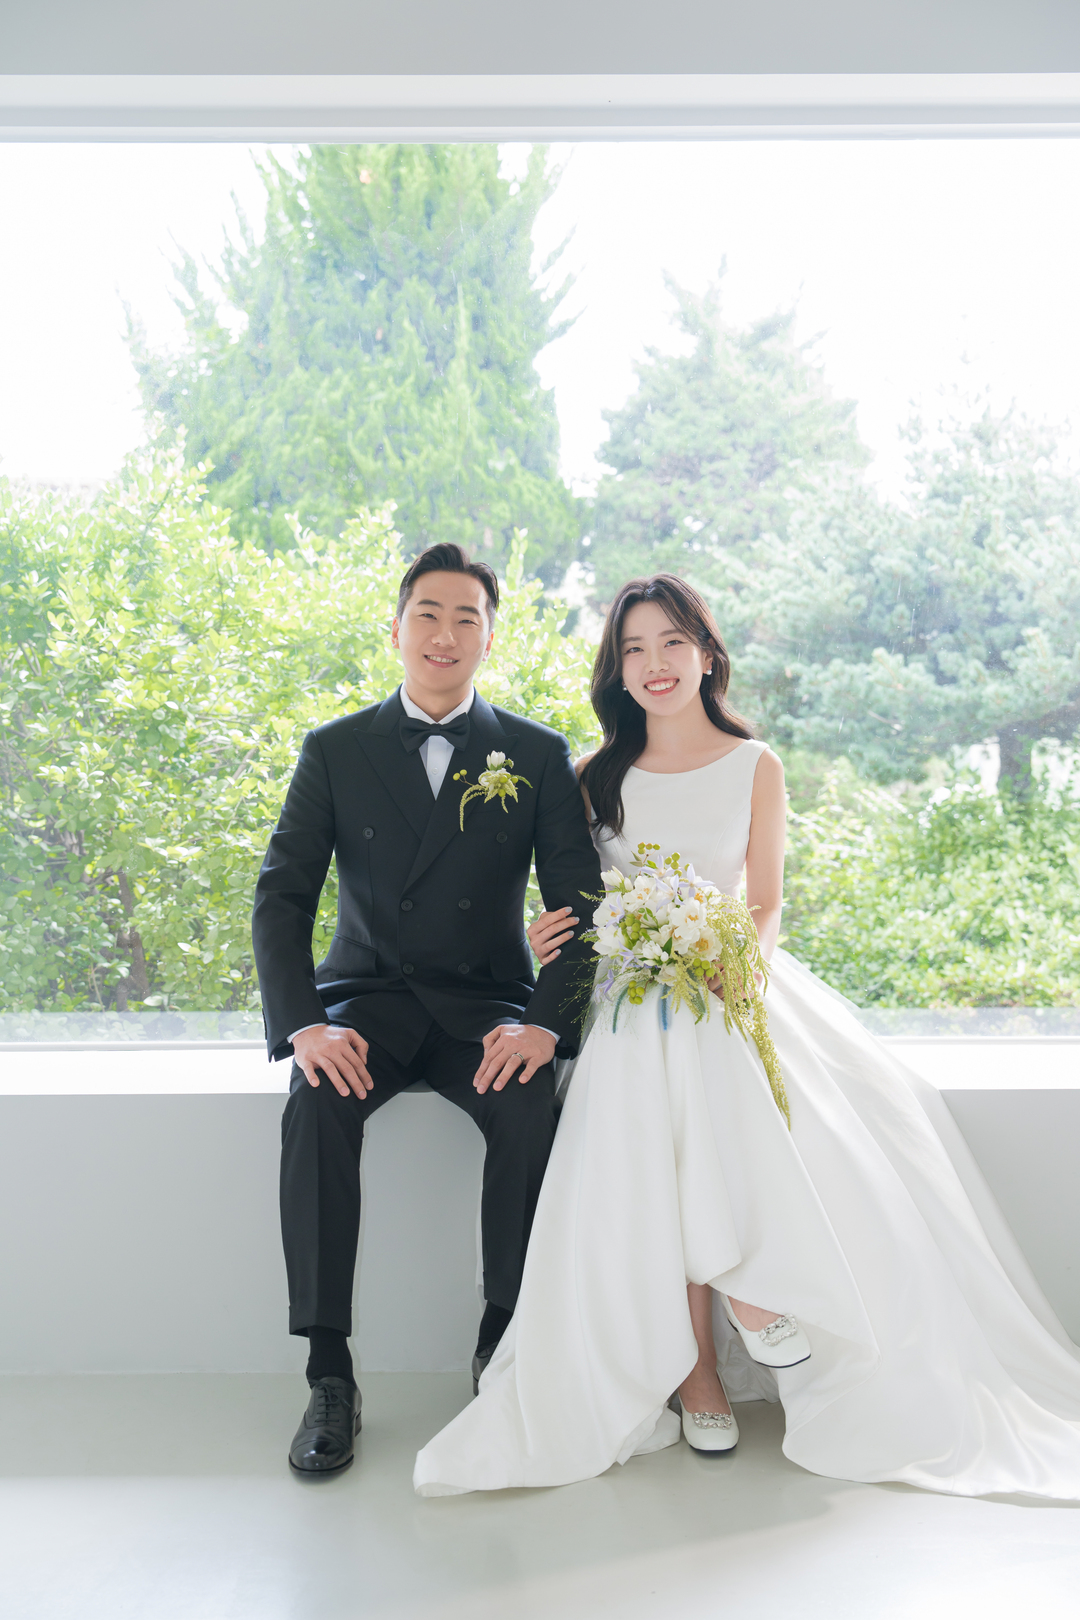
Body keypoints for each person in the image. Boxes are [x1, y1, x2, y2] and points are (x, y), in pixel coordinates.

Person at [414, 572, 1080, 1499]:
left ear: (706, 654)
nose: (654, 664)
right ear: (618, 669)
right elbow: (579, 897)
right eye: (634, 649)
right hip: (630, 986)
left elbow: (764, 901)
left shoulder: (755, 763)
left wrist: (736, 970)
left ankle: (714, 1350)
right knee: (653, 1041)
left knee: (685, 1047)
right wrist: (550, 933)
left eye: (671, 643)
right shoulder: (592, 776)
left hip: (731, 978)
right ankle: (738, 1308)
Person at [252, 542, 602, 1476]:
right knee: (315, 1104)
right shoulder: (335, 748)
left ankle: (501, 1344)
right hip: (364, 1001)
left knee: (529, 1104)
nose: (444, 634)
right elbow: (282, 897)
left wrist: (545, 1023)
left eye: (466, 618)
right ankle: (329, 1374)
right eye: (427, 614)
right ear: (398, 628)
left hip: (484, 1005)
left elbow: (582, 906)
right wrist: (304, 1025)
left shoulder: (536, 753)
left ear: (489, 638)